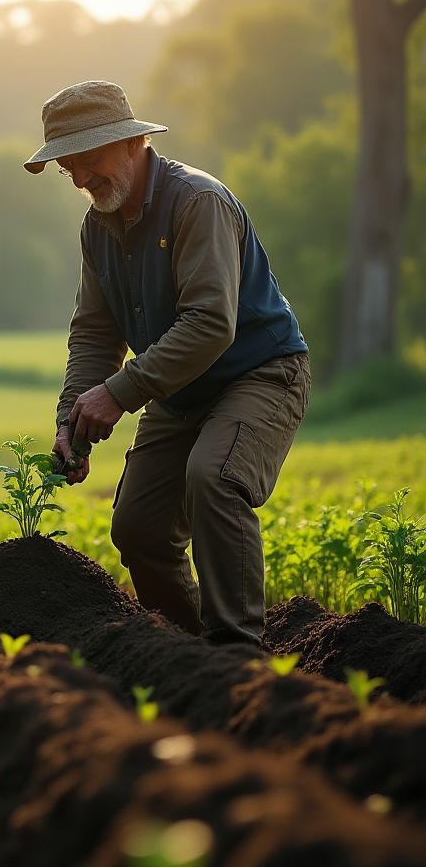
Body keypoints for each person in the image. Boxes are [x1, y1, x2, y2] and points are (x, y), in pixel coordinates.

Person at [24, 80, 311, 647]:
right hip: (179, 390)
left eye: (87, 159)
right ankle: (184, 653)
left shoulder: (197, 202)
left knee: (215, 477)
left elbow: (210, 324)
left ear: (133, 143)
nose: (79, 179)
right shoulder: (97, 226)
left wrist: (119, 393)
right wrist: (70, 419)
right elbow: (95, 332)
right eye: (67, 168)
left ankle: (237, 652)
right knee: (139, 527)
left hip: (259, 374)